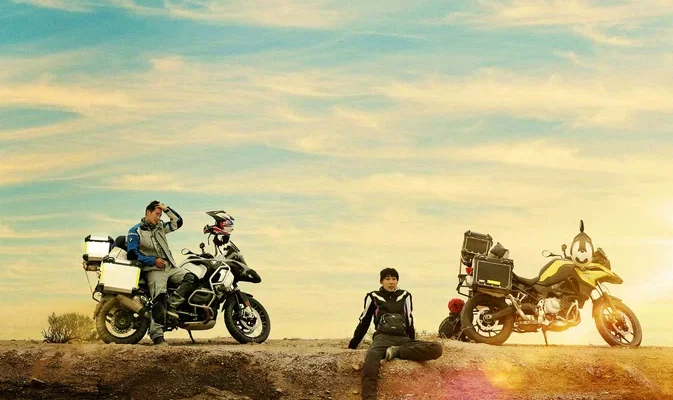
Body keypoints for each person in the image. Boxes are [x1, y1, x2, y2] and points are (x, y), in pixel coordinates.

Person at [348, 268, 443, 400]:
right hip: (382, 338)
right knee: (371, 361)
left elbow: (409, 320)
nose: (391, 282)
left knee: (436, 348)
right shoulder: (373, 296)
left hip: (402, 339)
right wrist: (353, 345)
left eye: (394, 279)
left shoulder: (405, 295)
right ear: (381, 281)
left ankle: (396, 351)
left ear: (397, 281)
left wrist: (411, 342)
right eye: (387, 279)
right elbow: (364, 321)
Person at [127, 200, 199, 346]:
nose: (159, 217)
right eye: (157, 214)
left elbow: (178, 222)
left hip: (170, 267)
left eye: (160, 215)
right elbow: (132, 254)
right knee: (159, 298)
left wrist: (166, 209)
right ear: (148, 213)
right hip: (154, 269)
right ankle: (157, 336)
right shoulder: (135, 231)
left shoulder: (160, 227)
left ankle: (171, 306)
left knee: (192, 278)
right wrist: (152, 260)